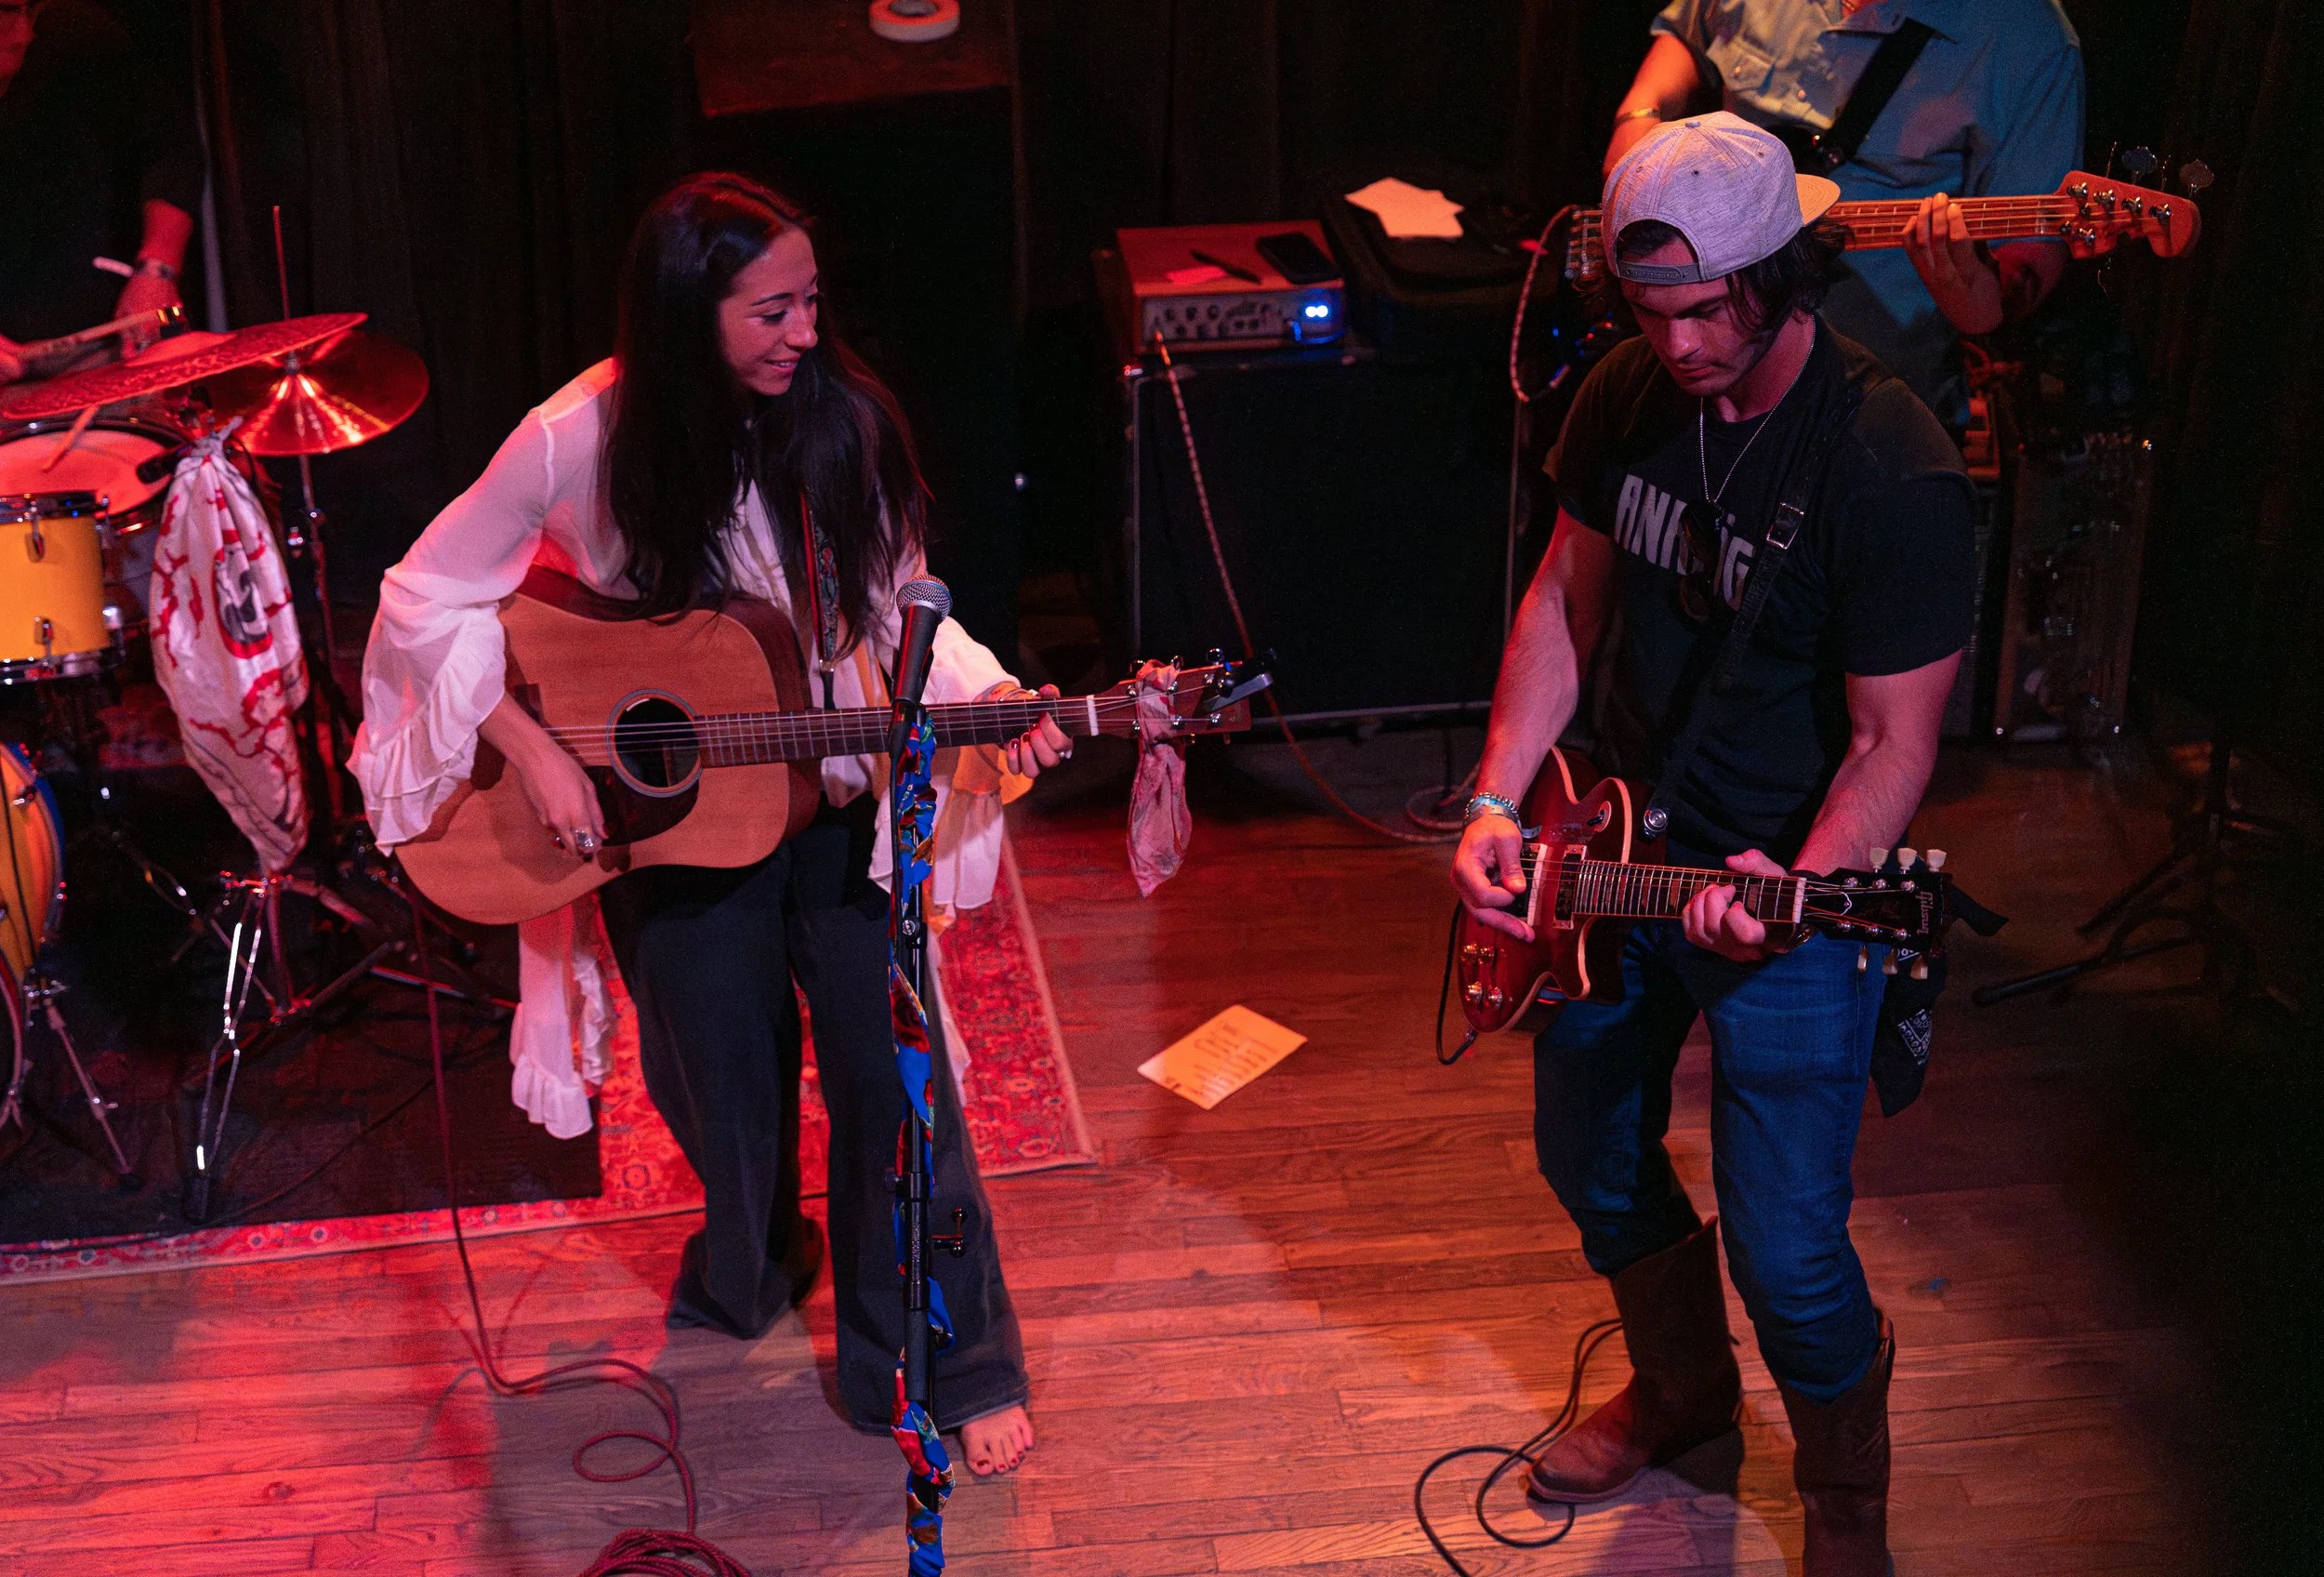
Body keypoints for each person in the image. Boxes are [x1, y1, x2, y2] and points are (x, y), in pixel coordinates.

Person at [351, 173, 1060, 1478]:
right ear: (689, 314)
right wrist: (532, 753)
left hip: (838, 811)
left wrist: (995, 697)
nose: (804, 333)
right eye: (770, 310)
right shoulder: (578, 435)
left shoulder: (848, 428)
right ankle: (751, 1268)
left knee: (897, 1087)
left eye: (810, 304)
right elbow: (421, 600)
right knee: (719, 1091)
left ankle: (941, 1362)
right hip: (665, 818)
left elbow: (911, 611)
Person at [1451, 114, 1975, 1574]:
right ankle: (1684, 1394)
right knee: (1588, 1149)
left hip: (1790, 891)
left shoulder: (1892, 466)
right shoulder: (1625, 396)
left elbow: (1892, 745)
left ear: (1785, 276)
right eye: (1648, 311)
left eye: (1703, 311)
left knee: (1792, 1251)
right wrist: (1502, 800)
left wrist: (1800, 889)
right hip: (1614, 852)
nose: (1675, 344)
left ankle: (1846, 1509)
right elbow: (1565, 598)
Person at [1603, 0, 2084, 421]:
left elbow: (2027, 263)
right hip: (1699, 370)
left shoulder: (2030, 35)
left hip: (1866, 401)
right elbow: (1686, 39)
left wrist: (1976, 301)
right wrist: (1638, 120)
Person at [0, 0, 196, 383]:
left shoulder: (79, 45)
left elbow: (171, 150)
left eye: (30, 10)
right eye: (5, 12)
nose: (25, 34)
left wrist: (158, 269)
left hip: (110, 342)